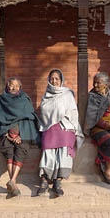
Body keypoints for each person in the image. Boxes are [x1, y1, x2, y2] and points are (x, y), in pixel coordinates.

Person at [37, 69, 84, 197]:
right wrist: (54, 118)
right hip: (50, 125)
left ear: (61, 80)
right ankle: (45, 179)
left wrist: (65, 121)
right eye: (52, 78)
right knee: (47, 147)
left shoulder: (67, 94)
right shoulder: (46, 96)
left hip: (65, 124)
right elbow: (45, 112)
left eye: (57, 78)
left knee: (64, 146)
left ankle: (58, 180)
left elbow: (73, 111)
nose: (54, 81)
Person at [0, 77, 40, 198]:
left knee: (21, 149)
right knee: (8, 149)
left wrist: (18, 134)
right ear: (7, 87)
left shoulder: (24, 99)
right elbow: (0, 118)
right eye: (11, 85)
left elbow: (29, 115)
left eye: (16, 86)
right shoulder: (3, 99)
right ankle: (13, 182)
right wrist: (10, 135)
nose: (14, 88)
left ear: (20, 88)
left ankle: (12, 181)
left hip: (23, 131)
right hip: (8, 132)